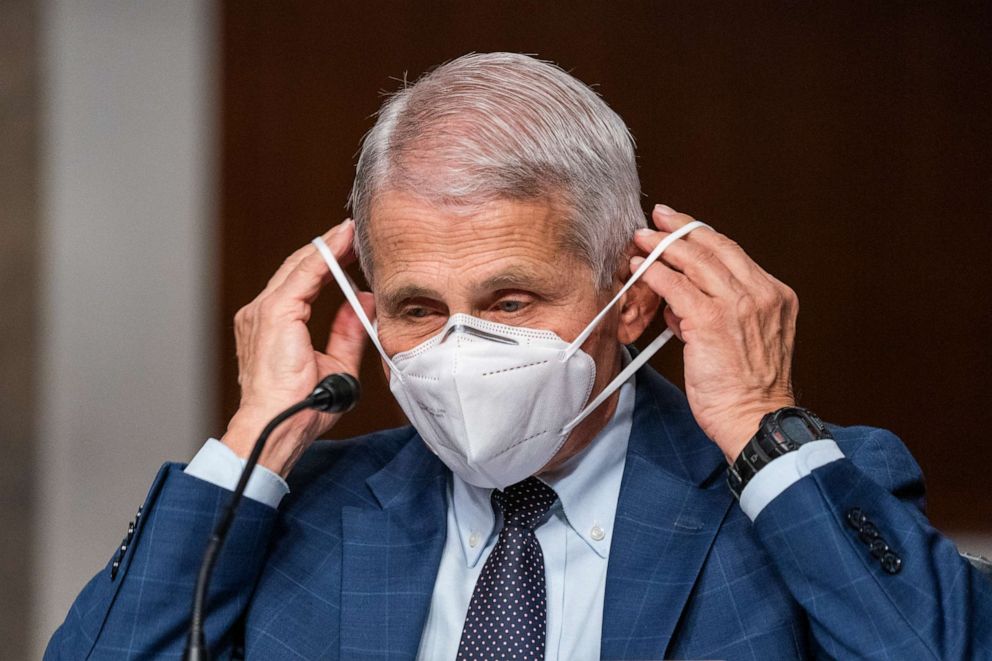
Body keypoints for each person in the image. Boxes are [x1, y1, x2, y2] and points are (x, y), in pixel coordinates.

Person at [46, 52, 991, 660]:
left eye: (510, 299)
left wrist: (759, 427)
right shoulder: (297, 517)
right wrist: (253, 440)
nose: (462, 347)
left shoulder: (808, 495)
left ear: (635, 302)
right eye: (418, 307)